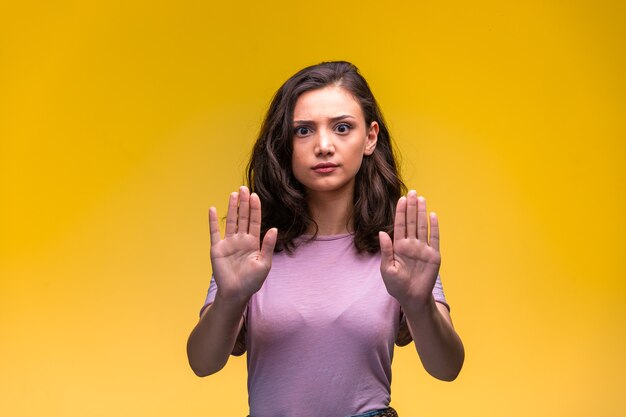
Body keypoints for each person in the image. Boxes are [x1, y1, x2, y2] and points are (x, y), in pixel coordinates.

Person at [187, 61, 464, 417]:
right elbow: (202, 363)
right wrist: (230, 297)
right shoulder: (252, 249)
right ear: (285, 144)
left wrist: (418, 303)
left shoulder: (399, 250)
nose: (323, 145)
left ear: (370, 137)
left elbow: (447, 368)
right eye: (303, 131)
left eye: (342, 127)